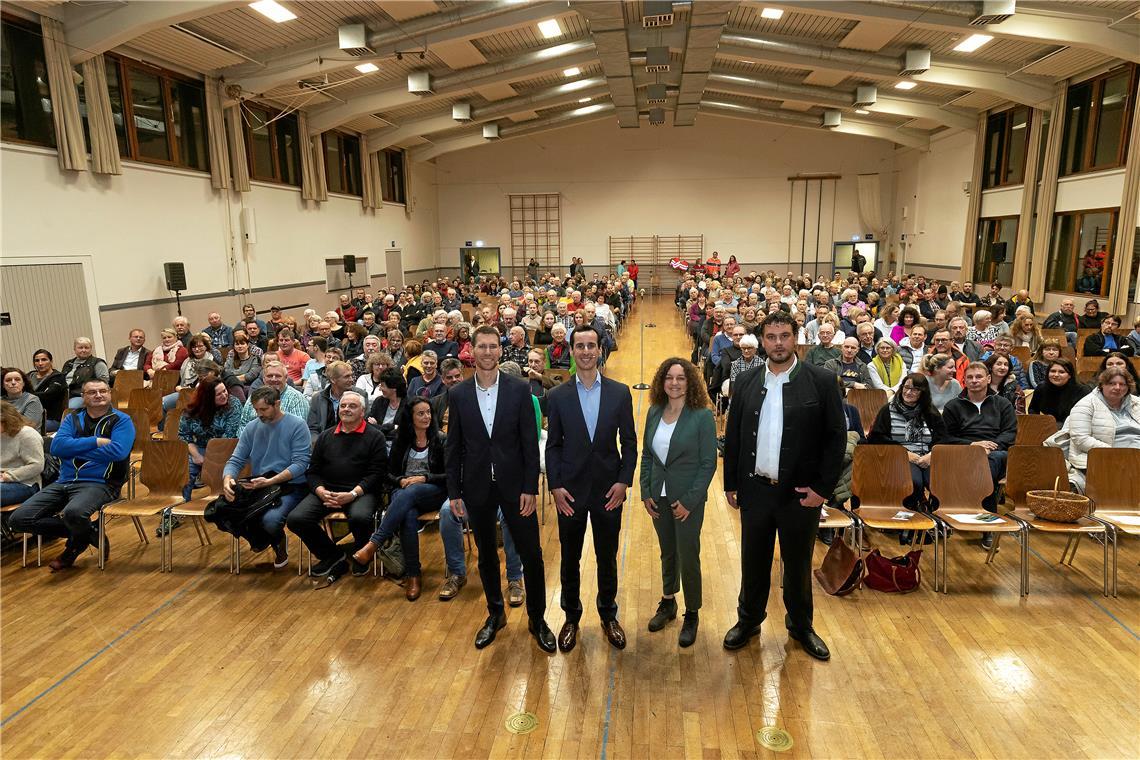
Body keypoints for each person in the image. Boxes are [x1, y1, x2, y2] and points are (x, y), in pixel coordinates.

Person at [721, 312, 845, 659]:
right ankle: (748, 620)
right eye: (772, 336)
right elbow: (733, 436)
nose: (778, 343)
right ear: (762, 340)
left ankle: (802, 626)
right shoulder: (746, 381)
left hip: (800, 494)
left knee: (797, 562)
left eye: (785, 336)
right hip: (756, 490)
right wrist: (731, 482)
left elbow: (836, 439)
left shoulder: (821, 381)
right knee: (753, 560)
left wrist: (822, 489)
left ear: (795, 339)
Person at [445, 326, 554, 652]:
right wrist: (454, 492)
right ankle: (495, 614)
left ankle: (537, 618)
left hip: (515, 486)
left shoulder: (520, 390)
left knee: (532, 555)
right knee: (486, 558)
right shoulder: (459, 394)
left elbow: (529, 443)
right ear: (473, 351)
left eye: (494, 346)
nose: (488, 352)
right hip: (476, 486)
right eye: (482, 346)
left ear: (500, 351)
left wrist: (529, 487)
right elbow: (454, 448)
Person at [546, 324, 637, 652]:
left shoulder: (619, 392)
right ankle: (571, 616)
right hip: (569, 492)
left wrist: (623, 481)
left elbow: (629, 442)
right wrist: (555, 486)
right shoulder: (556, 396)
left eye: (591, 346)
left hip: (606, 491)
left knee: (607, 556)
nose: (585, 351)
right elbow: (553, 445)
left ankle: (608, 614)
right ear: (571, 351)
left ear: (601, 350)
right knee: (570, 557)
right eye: (579, 346)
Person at [9, 379, 132, 571]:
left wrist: (73, 449)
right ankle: (89, 532)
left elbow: (118, 452)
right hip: (64, 481)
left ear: (109, 393)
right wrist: (96, 441)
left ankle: (73, 548)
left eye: (102, 391)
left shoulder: (121, 420)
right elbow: (57, 447)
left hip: (101, 483)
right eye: (92, 392)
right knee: (18, 519)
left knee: (73, 513)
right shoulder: (72, 418)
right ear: (83, 397)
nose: (98, 395)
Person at [640, 358, 716, 648]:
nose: (674, 383)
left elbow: (708, 464)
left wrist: (689, 501)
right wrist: (646, 491)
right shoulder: (654, 411)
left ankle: (692, 612)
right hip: (658, 495)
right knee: (667, 551)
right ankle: (668, 601)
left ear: (690, 382)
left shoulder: (701, 416)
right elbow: (647, 455)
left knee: (688, 554)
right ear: (662, 381)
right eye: (669, 377)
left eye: (681, 378)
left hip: (687, 499)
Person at [352, 398, 447, 600]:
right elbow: (389, 474)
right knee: (408, 515)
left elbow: (450, 475)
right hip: (403, 493)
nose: (426, 417)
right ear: (410, 417)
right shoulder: (401, 441)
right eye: (420, 413)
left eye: (428, 412)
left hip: (432, 491)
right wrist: (401, 480)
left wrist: (424, 478)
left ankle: (374, 543)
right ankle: (413, 574)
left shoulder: (440, 439)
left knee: (411, 493)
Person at [286, 389, 387, 579]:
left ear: (362, 412)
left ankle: (361, 555)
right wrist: (321, 491)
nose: (346, 409)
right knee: (296, 519)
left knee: (360, 517)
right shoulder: (326, 436)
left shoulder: (375, 437)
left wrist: (353, 494)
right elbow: (313, 471)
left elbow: (376, 474)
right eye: (343, 405)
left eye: (352, 406)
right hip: (327, 492)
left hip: (361, 492)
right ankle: (332, 555)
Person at [222, 386, 311, 568]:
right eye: (256, 409)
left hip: (291, 485)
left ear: (277, 404)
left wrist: (271, 481)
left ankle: (273, 539)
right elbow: (236, 459)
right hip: (262, 485)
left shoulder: (297, 425)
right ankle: (265, 538)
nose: (259, 414)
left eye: (264, 409)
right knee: (222, 511)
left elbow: (301, 464)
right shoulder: (252, 427)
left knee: (270, 520)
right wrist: (227, 479)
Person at [942, 362, 1017, 548]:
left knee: (991, 462)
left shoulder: (1002, 404)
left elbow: (1010, 433)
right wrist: (973, 445)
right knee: (984, 469)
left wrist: (990, 447)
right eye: (970, 377)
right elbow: (945, 437)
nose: (974, 381)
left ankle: (986, 525)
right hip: (964, 452)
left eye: (979, 377)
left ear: (988, 379)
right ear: (964, 380)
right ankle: (984, 523)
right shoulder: (953, 406)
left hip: (996, 453)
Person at [164, 378, 242, 536]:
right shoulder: (192, 410)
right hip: (200, 448)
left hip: (225, 448)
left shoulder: (233, 404)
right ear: (206, 397)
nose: (224, 395)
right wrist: (196, 456)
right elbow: (183, 436)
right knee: (184, 470)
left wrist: (210, 459)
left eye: (225, 391)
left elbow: (229, 436)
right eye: (218, 394)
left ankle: (229, 510)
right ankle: (173, 512)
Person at [868, 374, 948, 510]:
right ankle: (915, 508)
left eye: (915, 389)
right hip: (899, 457)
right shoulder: (888, 410)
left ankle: (935, 515)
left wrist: (931, 455)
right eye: (906, 387)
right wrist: (904, 453)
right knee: (914, 481)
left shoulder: (930, 411)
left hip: (927, 457)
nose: (909, 392)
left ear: (923, 392)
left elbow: (943, 437)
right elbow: (876, 438)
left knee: (938, 482)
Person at [1054, 368, 1140, 492]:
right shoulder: (1085, 404)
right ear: (1102, 385)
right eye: (1112, 383)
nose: (1117, 387)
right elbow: (1081, 439)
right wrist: (1115, 453)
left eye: (1122, 384)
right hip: (1105, 458)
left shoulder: (1136, 403)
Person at [237, 362, 309, 429]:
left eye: (278, 376)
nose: (273, 379)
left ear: (286, 378)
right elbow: (243, 424)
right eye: (269, 376)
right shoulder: (254, 397)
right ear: (264, 379)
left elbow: (296, 428)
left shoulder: (296, 398)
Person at [0, 400, 44, 507]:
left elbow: (37, 465)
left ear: (6, 420)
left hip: (25, 483)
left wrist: (7, 476)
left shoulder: (27, 434)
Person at [306, 360, 356, 443]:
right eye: (346, 376)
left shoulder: (359, 396)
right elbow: (312, 428)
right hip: (323, 443)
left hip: (351, 442)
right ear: (333, 380)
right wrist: (318, 444)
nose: (351, 379)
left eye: (351, 376)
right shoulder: (317, 399)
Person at [1027, 358, 1087, 426]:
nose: (1056, 375)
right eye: (1053, 371)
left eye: (1061, 372)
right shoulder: (1041, 388)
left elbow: (1083, 417)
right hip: (1047, 427)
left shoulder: (1081, 390)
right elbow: (1033, 410)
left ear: (1070, 375)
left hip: (1073, 427)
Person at [61, 338, 110, 410]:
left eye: (86, 347)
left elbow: (103, 382)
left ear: (91, 349)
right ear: (74, 349)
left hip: (82, 395)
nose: (83, 350)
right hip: (64, 395)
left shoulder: (98, 363)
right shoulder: (68, 363)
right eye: (80, 347)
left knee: (70, 407)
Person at [29, 350, 67, 432]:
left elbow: (48, 395)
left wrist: (26, 395)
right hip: (28, 416)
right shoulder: (29, 376)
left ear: (51, 361)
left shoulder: (58, 377)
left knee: (21, 429)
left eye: (44, 360)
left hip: (51, 419)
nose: (40, 363)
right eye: (37, 360)